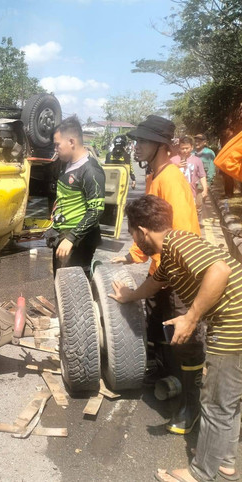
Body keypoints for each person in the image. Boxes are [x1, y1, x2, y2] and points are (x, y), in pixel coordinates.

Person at [111, 195, 242, 482]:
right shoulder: (170, 255)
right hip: (234, 322)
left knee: (216, 403)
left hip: (234, 324)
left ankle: (200, 473)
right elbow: (154, 282)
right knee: (229, 401)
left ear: (142, 231)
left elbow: (219, 271)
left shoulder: (178, 242)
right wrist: (129, 295)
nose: (134, 241)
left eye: (133, 234)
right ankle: (225, 462)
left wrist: (191, 317)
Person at [112, 115, 202, 435]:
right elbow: (152, 228)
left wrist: (155, 281)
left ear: (161, 147)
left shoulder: (172, 180)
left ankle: (192, 409)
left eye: (142, 142)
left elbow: (178, 235)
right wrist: (133, 255)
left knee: (184, 341)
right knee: (156, 329)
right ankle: (168, 377)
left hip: (180, 275)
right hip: (162, 271)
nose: (136, 146)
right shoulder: (155, 175)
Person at [48, 115, 105, 276]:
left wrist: (71, 238)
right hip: (63, 236)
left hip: (78, 240)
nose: (55, 149)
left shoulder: (90, 170)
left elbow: (96, 210)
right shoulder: (65, 164)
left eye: (57, 145)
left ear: (71, 142)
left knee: (75, 291)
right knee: (61, 285)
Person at [171, 136, 208, 209]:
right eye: (182, 148)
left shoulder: (197, 160)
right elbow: (167, 175)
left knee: (192, 213)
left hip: (192, 193)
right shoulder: (173, 160)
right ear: (179, 148)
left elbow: (202, 176)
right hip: (176, 193)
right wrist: (176, 166)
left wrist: (205, 189)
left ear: (192, 147)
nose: (185, 150)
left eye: (187, 148)